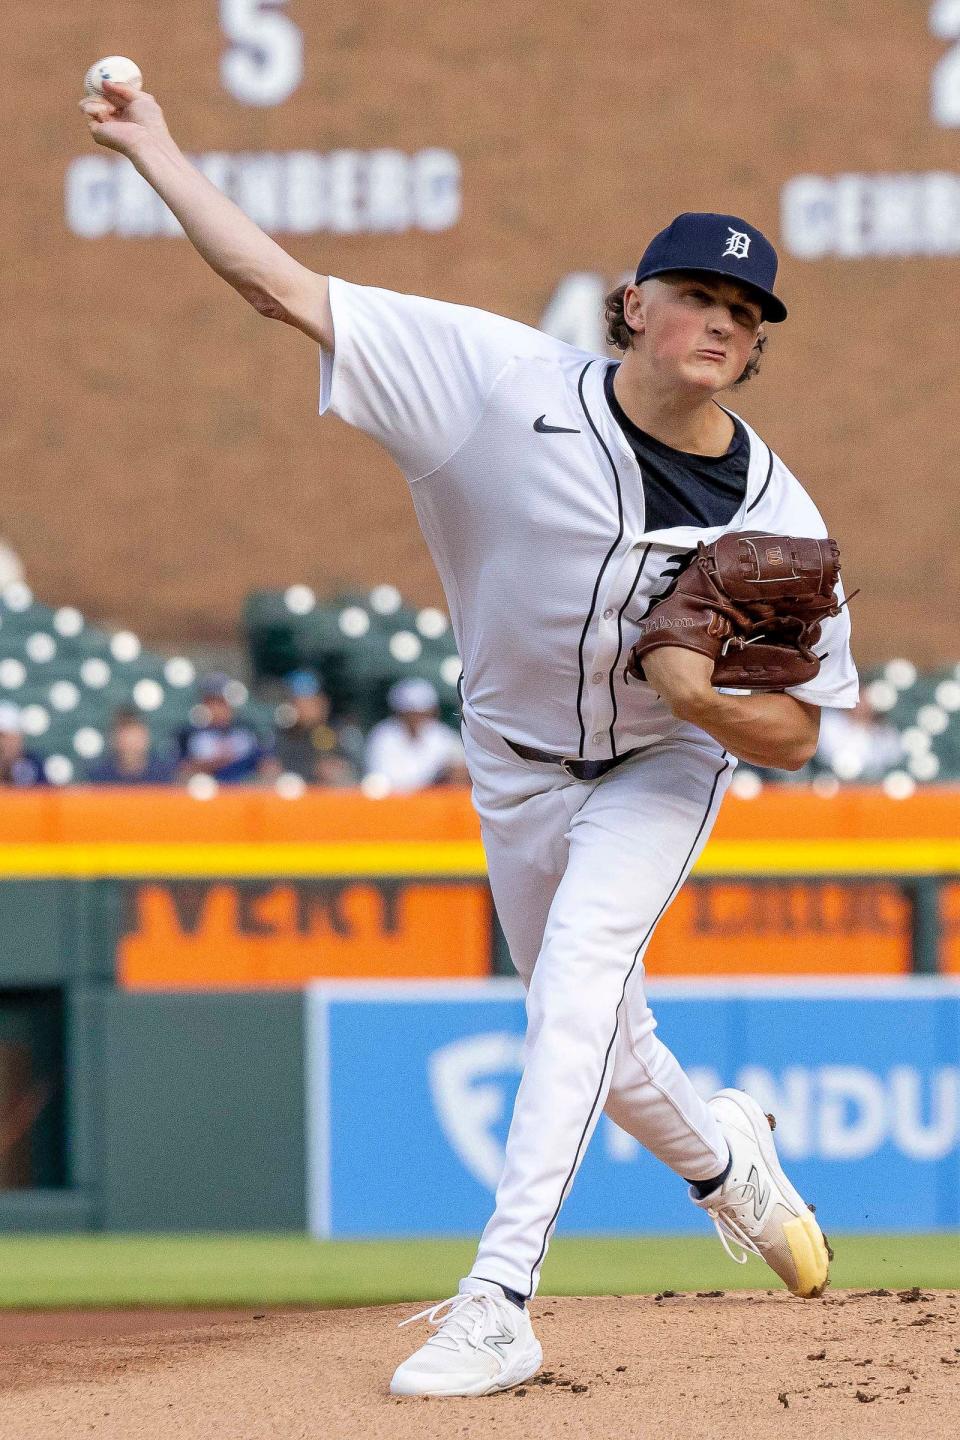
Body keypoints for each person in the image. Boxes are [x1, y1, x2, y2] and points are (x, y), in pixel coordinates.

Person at [80, 82, 859, 1399]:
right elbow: (283, 287)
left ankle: (499, 1300)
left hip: (662, 766)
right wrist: (155, 149)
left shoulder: (778, 518)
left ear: (756, 344)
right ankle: (729, 1161)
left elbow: (792, 736)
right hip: (512, 759)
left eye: (745, 313)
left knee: (573, 985)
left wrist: (708, 699)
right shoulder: (495, 387)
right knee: (606, 1054)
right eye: (696, 295)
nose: (719, 320)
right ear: (633, 305)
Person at [364, 678, 469, 793]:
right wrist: (433, 778)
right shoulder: (382, 736)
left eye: (422, 713)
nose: (416, 718)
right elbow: (380, 781)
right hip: (393, 804)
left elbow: (461, 770)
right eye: (410, 713)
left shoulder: (443, 736)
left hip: (435, 804)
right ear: (399, 713)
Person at [177, 673, 278, 784]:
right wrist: (215, 761)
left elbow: (268, 764)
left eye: (222, 703)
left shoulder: (247, 730)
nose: (218, 709)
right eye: (212, 702)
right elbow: (181, 771)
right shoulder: (189, 733)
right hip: (207, 790)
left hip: (243, 789)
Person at [274, 669, 360, 786]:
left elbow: (356, 767)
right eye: (301, 702)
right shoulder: (284, 734)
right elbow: (277, 767)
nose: (307, 707)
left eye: (311, 701)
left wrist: (338, 767)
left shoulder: (339, 731)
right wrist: (315, 769)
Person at [814, 683, 903, 781]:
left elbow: (893, 758)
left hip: (873, 784)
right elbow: (826, 755)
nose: (863, 705)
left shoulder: (884, 729)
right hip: (830, 779)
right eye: (859, 699)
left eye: (867, 700)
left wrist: (868, 730)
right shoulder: (830, 721)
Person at [86, 706, 177, 784]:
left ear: (146, 737)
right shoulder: (98, 777)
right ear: (114, 739)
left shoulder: (164, 776)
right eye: (125, 737)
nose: (131, 745)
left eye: (136, 737)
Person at [0, 704, 46, 786]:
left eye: (11, 737)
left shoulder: (34, 763)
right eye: (3, 737)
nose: (5, 743)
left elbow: (46, 794)